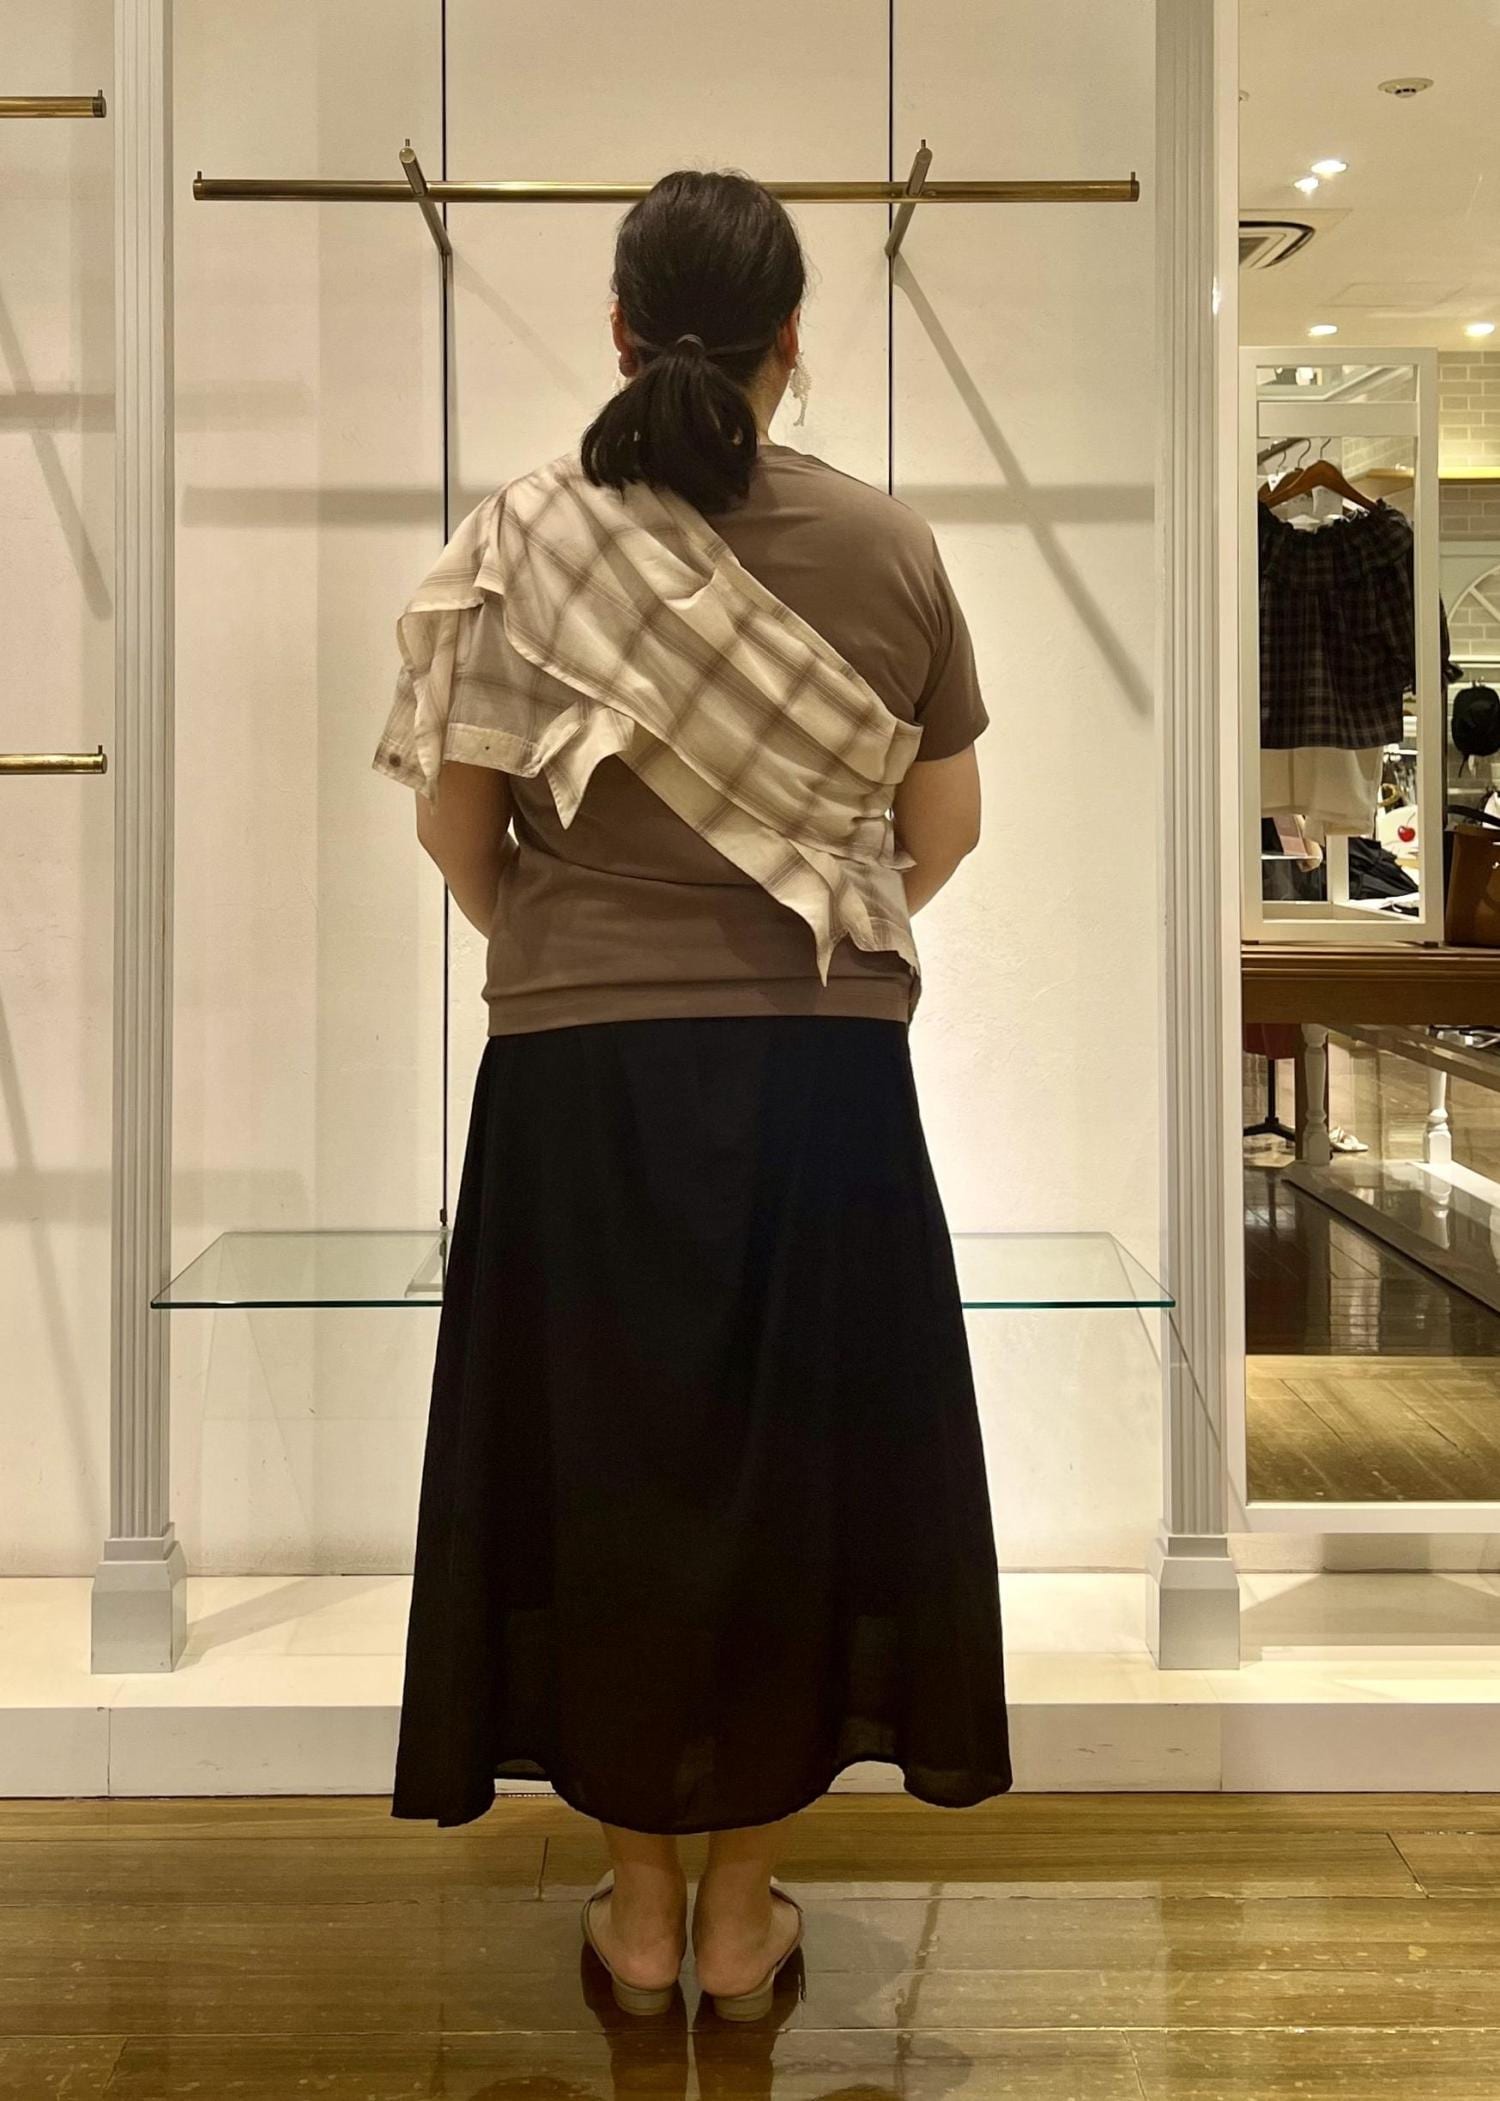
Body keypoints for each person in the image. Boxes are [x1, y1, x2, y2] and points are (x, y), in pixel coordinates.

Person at [375, 167, 1010, 2022]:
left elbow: (458, 830)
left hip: (575, 1083)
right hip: (821, 1076)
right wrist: (813, 926)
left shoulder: (517, 541)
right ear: (793, 339)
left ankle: (638, 1917)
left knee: (605, 1472)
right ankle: (743, 1921)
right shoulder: (890, 549)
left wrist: (568, 942)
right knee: (797, 1472)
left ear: (619, 330)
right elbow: (944, 829)